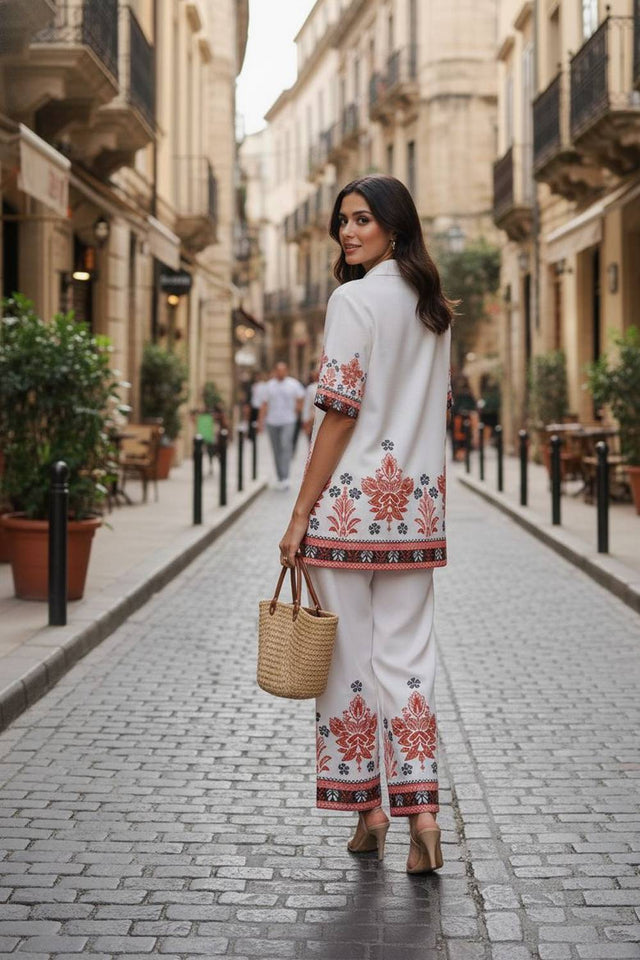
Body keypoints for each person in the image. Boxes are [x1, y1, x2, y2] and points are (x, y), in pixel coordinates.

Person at [278, 174, 453, 873]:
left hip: (347, 513)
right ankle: (425, 814)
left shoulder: (353, 300)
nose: (348, 233)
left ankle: (372, 813)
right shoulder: (435, 308)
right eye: (342, 222)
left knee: (348, 665)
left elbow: (340, 412)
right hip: (415, 517)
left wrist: (299, 515)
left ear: (394, 228)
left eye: (362, 221)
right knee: (410, 663)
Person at [258, 361, 305, 490]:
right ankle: (280, 476)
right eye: (278, 370)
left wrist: (296, 413)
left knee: (285, 446)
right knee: (276, 449)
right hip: (272, 422)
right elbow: (264, 405)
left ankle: (286, 477)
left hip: (288, 421)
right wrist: (260, 423)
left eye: (283, 370)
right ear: (275, 371)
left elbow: (301, 398)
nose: (281, 372)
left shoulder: (293, 384)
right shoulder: (269, 386)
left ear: (286, 371)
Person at [301, 366, 319, 443]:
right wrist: (306, 421)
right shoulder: (311, 388)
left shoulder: (311, 388)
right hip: (313, 420)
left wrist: (305, 420)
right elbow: (307, 406)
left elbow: (306, 406)